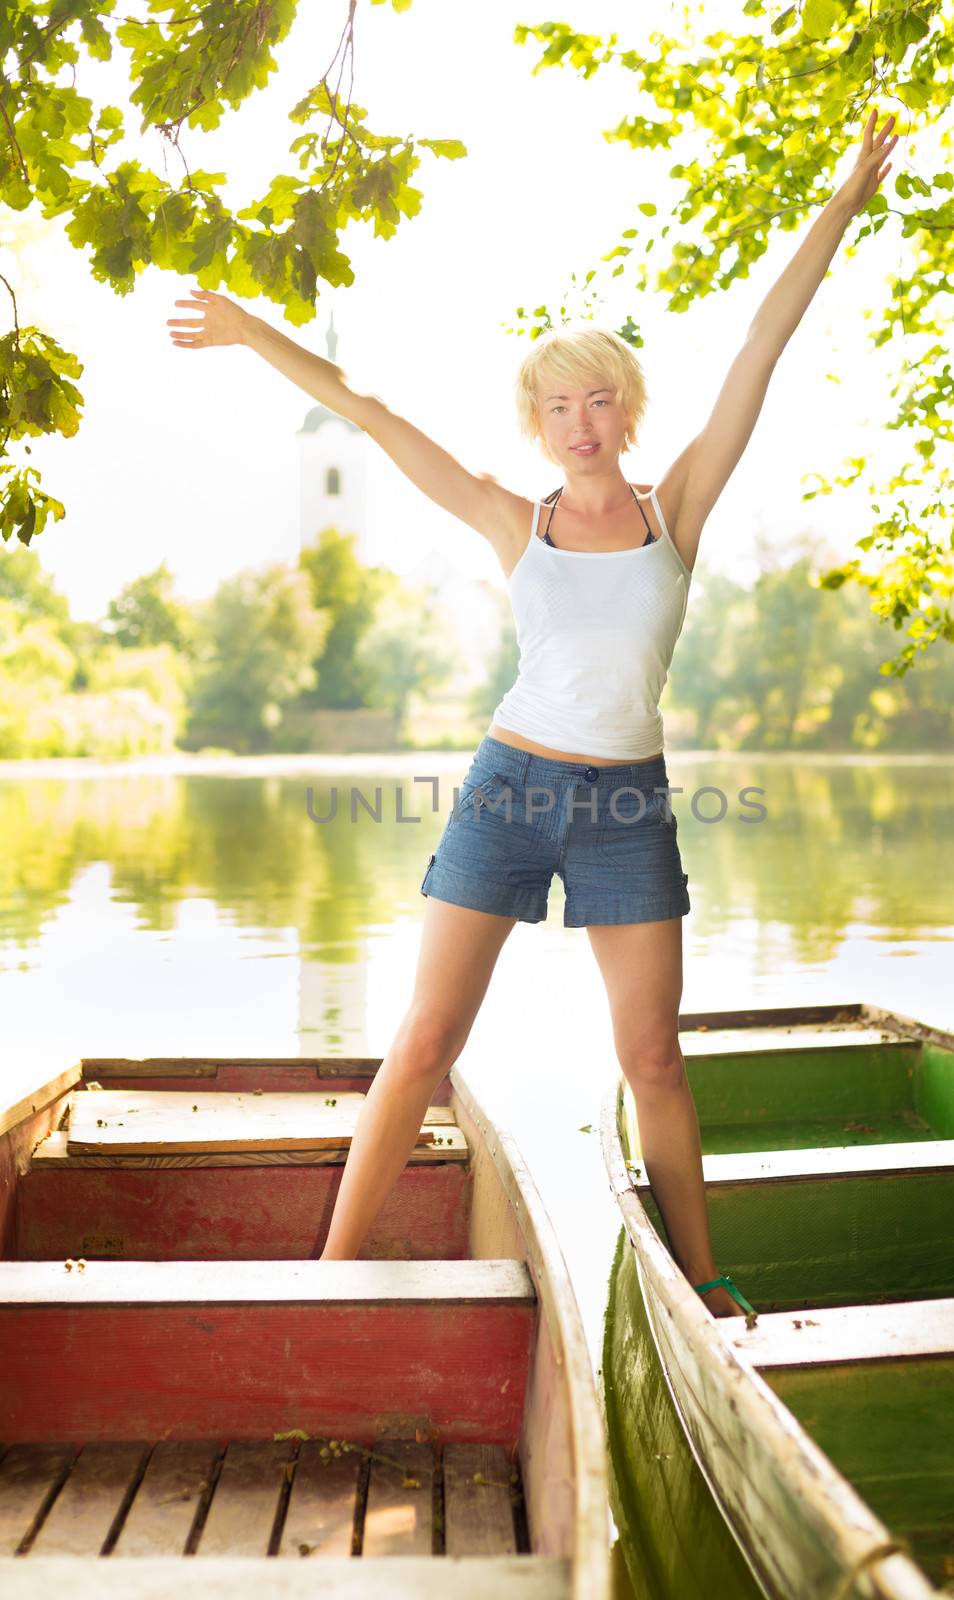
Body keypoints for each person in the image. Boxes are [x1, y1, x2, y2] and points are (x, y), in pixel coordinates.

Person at [167, 111, 898, 1318]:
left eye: (599, 398)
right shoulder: (519, 521)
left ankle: (704, 1277)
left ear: (628, 408)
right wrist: (253, 333)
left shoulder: (681, 510)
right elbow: (371, 412)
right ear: (539, 426)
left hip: (626, 806)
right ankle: (332, 1275)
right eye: (558, 407)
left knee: (653, 1058)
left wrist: (843, 200)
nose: (581, 422)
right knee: (423, 1043)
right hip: (508, 790)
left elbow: (762, 345)